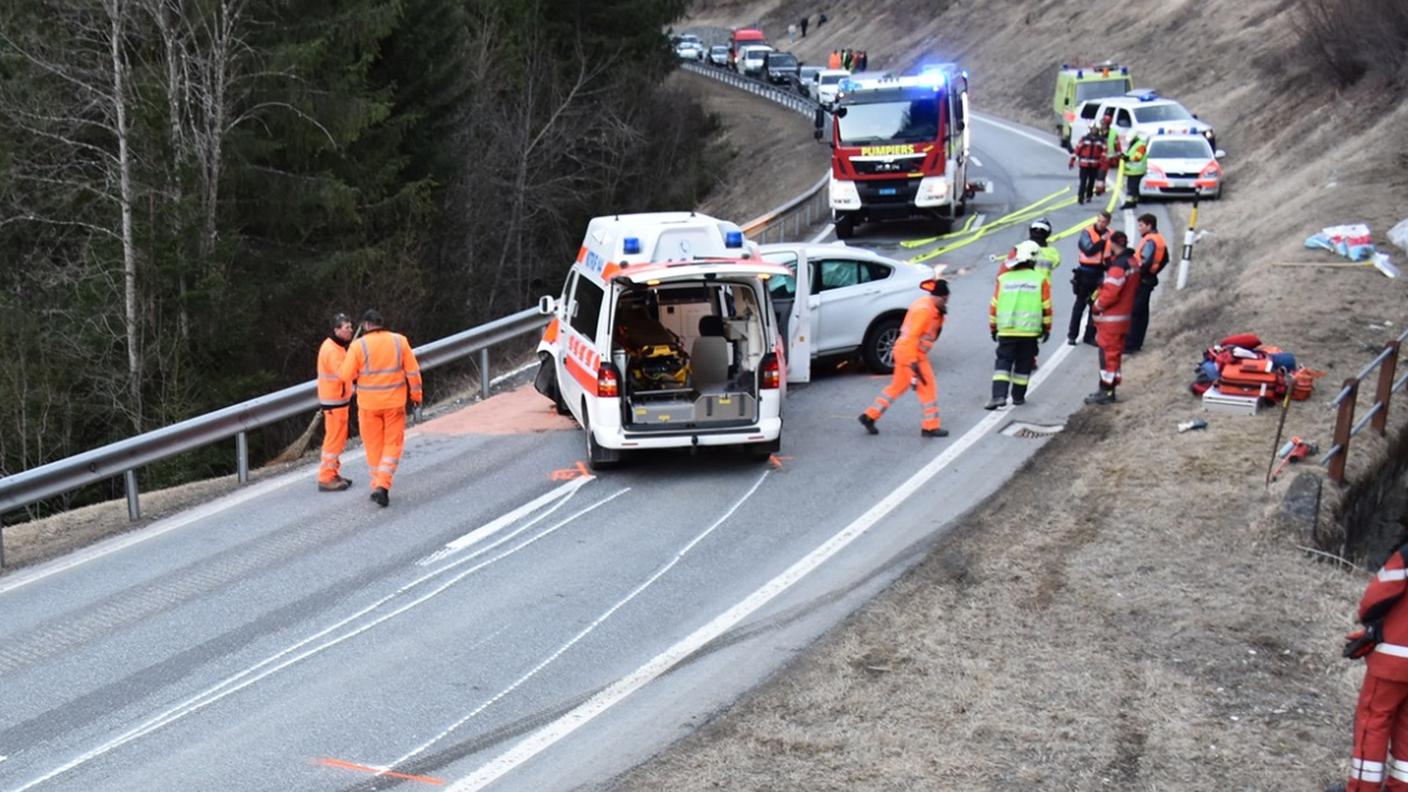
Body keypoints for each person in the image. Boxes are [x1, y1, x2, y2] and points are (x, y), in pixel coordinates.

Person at [1339, 538, 1408, 791]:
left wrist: (1370, 622)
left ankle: (1362, 787)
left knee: (1373, 721)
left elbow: (1375, 598)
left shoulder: (1406, 556)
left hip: (1395, 659)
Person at [338, 309, 423, 507]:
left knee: (374, 446)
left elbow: (346, 375)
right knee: (392, 445)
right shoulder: (399, 341)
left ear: (366, 325)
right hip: (394, 404)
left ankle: (379, 484)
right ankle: (382, 485)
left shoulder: (358, 346)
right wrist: (416, 396)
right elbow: (413, 371)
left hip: (369, 406)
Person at [859, 277, 950, 438]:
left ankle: (869, 416)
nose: (946, 302)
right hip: (912, 354)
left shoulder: (926, 305)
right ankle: (930, 427)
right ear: (935, 297)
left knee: (896, 388)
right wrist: (913, 363)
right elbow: (912, 338)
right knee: (927, 387)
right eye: (943, 299)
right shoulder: (925, 312)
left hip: (904, 352)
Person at [986, 241, 1052, 410]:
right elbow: (1046, 307)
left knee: (1003, 363)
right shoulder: (1039, 280)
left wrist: (993, 328)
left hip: (1007, 330)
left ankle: (998, 396)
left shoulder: (1003, 279)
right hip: (1030, 332)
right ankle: (1018, 397)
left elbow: (994, 305)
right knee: (1024, 364)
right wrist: (1046, 328)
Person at [1085, 231, 1139, 405]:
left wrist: (1096, 305)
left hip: (1111, 318)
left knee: (1107, 355)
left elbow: (1111, 293)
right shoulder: (1132, 262)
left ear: (1113, 244)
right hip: (1123, 317)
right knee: (1114, 355)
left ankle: (1106, 391)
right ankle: (1111, 388)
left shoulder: (1118, 266)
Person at [316, 313, 356, 492]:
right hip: (334, 401)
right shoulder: (332, 350)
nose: (350, 330)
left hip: (338, 399)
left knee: (337, 439)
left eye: (350, 327)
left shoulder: (338, 347)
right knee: (334, 440)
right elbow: (343, 373)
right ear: (336, 330)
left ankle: (332, 472)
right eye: (346, 328)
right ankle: (326, 477)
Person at [1125, 213, 1169, 353]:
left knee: (1135, 312)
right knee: (1142, 313)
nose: (1139, 228)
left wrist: (1138, 274)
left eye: (1141, 225)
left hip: (1142, 280)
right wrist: (1154, 273)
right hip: (1148, 279)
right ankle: (1136, 343)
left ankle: (1131, 345)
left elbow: (1146, 261)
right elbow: (1165, 259)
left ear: (1149, 226)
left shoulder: (1150, 241)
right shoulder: (1159, 239)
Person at [1069, 211, 1112, 345]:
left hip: (1099, 274)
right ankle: (1072, 335)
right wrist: (1102, 241)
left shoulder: (1111, 234)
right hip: (1085, 273)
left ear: (1107, 223)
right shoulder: (1087, 233)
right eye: (1099, 221)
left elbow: (1112, 252)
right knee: (1080, 304)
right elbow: (1088, 250)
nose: (1100, 224)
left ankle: (1090, 336)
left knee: (1095, 306)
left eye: (1103, 222)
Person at [1069, 125, 1108, 204]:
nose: (1094, 130)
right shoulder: (1084, 139)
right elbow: (1077, 150)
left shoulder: (1101, 140)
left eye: (1095, 129)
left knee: (1091, 182)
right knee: (1083, 182)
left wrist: (1102, 162)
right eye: (1093, 129)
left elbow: (1104, 152)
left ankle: (1089, 196)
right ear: (1090, 129)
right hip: (1084, 165)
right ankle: (1080, 197)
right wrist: (1072, 161)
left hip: (1094, 165)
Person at [1121, 132, 1150, 210]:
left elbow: (1138, 157)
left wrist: (1127, 158)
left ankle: (1129, 203)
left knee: (1131, 188)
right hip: (1133, 171)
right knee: (1134, 188)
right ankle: (1134, 201)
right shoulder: (1133, 144)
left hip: (1137, 171)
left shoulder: (1140, 145)